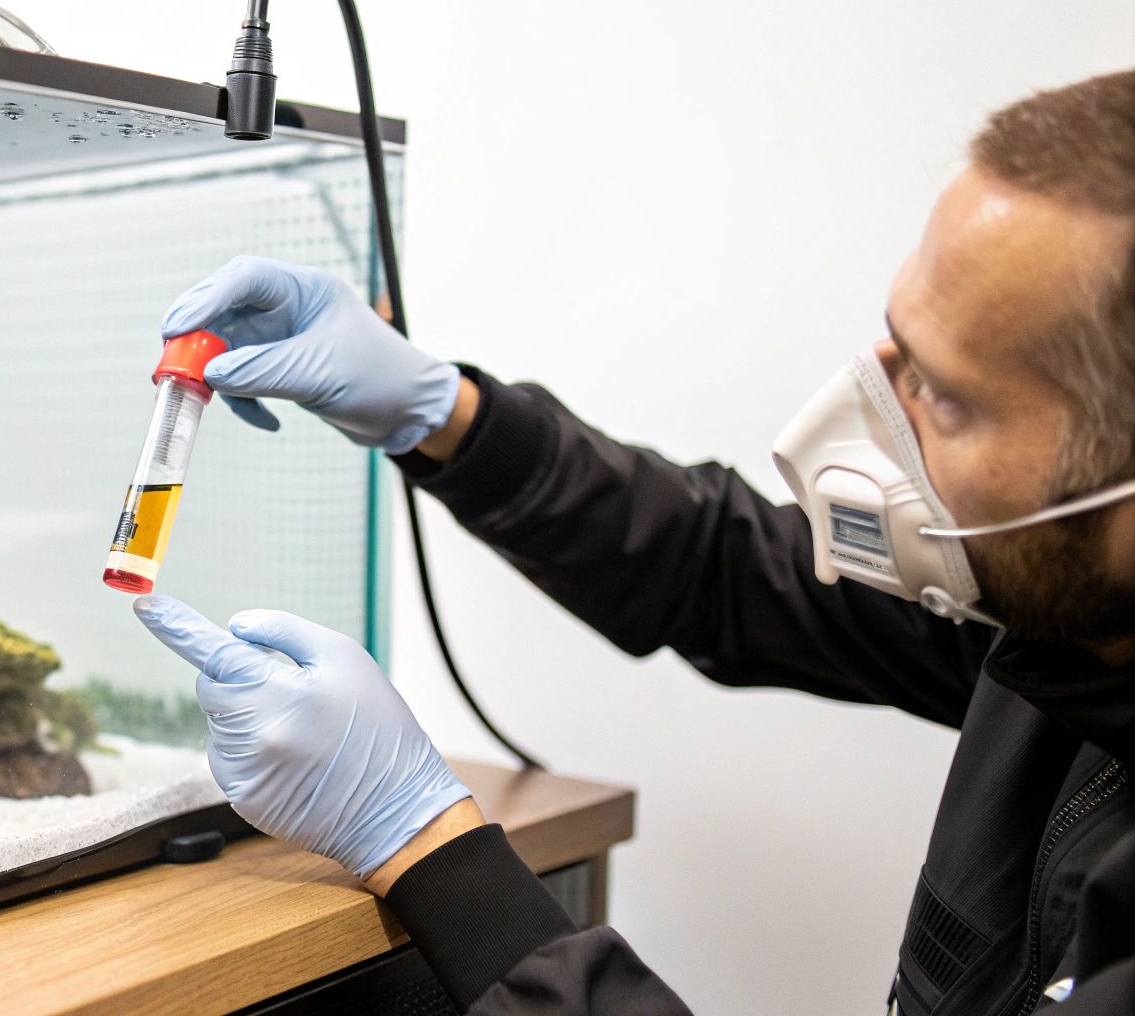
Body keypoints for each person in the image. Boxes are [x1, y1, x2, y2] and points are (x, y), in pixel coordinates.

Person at [132, 69, 1135, 1014]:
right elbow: (725, 568)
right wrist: (441, 413)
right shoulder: (1060, 627)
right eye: (892, 350)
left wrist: (419, 836)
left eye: (944, 396)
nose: (873, 414)